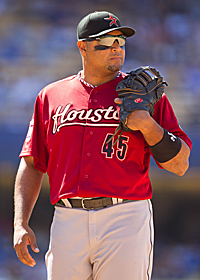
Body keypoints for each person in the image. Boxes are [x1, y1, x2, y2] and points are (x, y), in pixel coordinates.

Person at [13, 10, 192, 280]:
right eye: (106, 42)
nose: (116, 48)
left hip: (125, 215)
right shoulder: (50, 96)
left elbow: (179, 164)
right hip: (67, 217)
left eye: (120, 41)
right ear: (82, 47)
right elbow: (31, 162)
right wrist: (20, 222)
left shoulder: (141, 95)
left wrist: (146, 124)